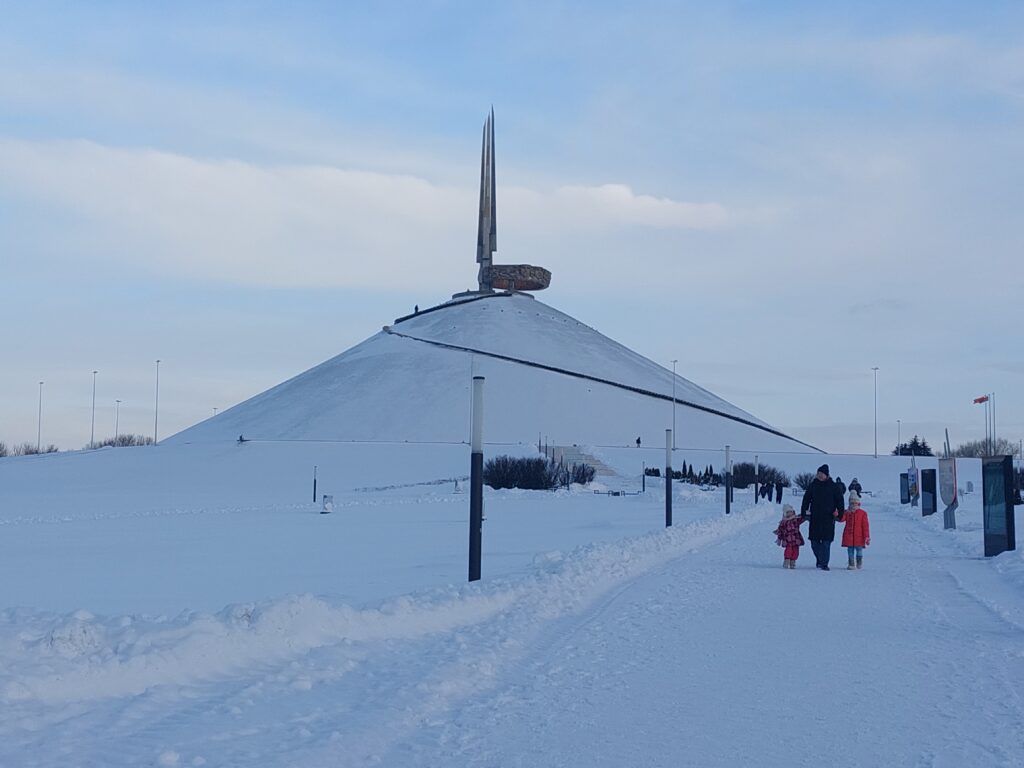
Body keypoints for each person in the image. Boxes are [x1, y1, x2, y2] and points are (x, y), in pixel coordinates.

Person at [800, 463, 846, 570]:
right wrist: (804, 512)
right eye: (818, 473)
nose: (820, 475)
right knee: (814, 542)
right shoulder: (813, 485)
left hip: (828, 518)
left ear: (827, 475)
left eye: (822, 474)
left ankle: (824, 563)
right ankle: (820, 559)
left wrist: (839, 513)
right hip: (815, 517)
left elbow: (840, 501)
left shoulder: (834, 487)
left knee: (826, 542)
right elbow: (806, 499)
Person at [842, 491, 871, 570]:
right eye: (852, 503)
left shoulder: (862, 513)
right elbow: (842, 519)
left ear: (858, 504)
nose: (853, 505)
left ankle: (859, 562)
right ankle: (851, 563)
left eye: (855, 503)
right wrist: (839, 514)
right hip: (849, 536)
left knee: (859, 550)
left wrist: (866, 536)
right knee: (850, 550)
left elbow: (865, 526)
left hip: (859, 536)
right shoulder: (847, 513)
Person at [774, 504, 807, 569]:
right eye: (788, 512)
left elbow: (802, 518)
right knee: (788, 550)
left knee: (796, 552)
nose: (790, 513)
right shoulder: (783, 522)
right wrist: (779, 539)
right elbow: (780, 531)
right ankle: (787, 560)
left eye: (791, 512)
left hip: (796, 539)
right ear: (785, 513)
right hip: (787, 539)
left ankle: (793, 561)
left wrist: (805, 514)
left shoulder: (796, 519)